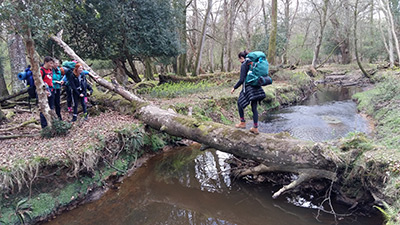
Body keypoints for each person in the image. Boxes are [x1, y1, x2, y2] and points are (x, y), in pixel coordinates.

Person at [230, 50, 266, 134]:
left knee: (239, 103)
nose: (239, 61)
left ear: (242, 58)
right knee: (254, 107)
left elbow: (242, 80)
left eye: (239, 59)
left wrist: (234, 88)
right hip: (257, 87)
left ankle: (242, 122)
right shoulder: (254, 64)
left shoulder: (244, 64)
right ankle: (255, 127)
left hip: (248, 88)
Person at [39, 56, 55, 128]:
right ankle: (44, 126)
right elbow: (39, 83)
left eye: (52, 63)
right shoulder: (41, 70)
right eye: (50, 63)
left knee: (51, 107)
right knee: (44, 109)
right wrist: (45, 91)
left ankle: (51, 123)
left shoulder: (50, 70)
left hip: (51, 90)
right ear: (46, 62)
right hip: (44, 91)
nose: (51, 65)